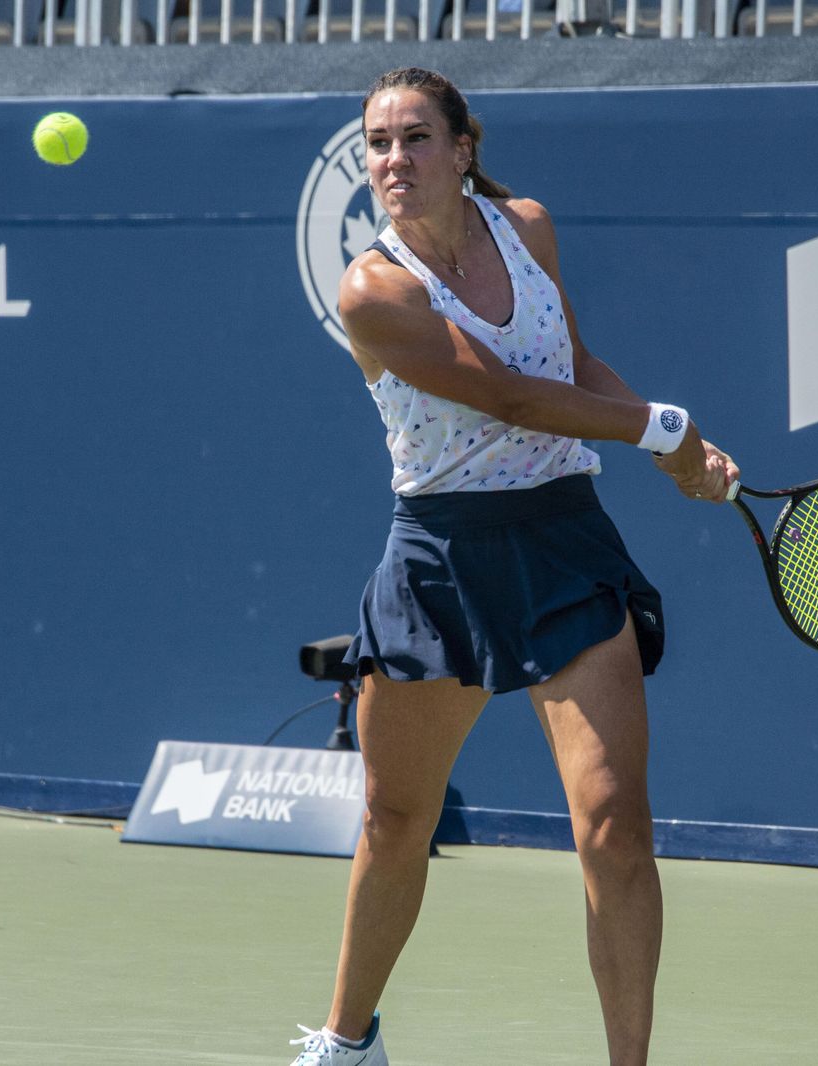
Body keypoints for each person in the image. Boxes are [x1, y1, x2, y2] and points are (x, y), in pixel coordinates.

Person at [285, 67, 737, 1066]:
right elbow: (515, 399)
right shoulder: (374, 289)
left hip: (564, 546)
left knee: (616, 825)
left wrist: (682, 457)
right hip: (440, 557)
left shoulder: (527, 228)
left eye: (413, 138)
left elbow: (569, 366)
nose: (392, 161)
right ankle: (347, 1041)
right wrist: (663, 427)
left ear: (462, 148)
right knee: (397, 818)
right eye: (377, 145)